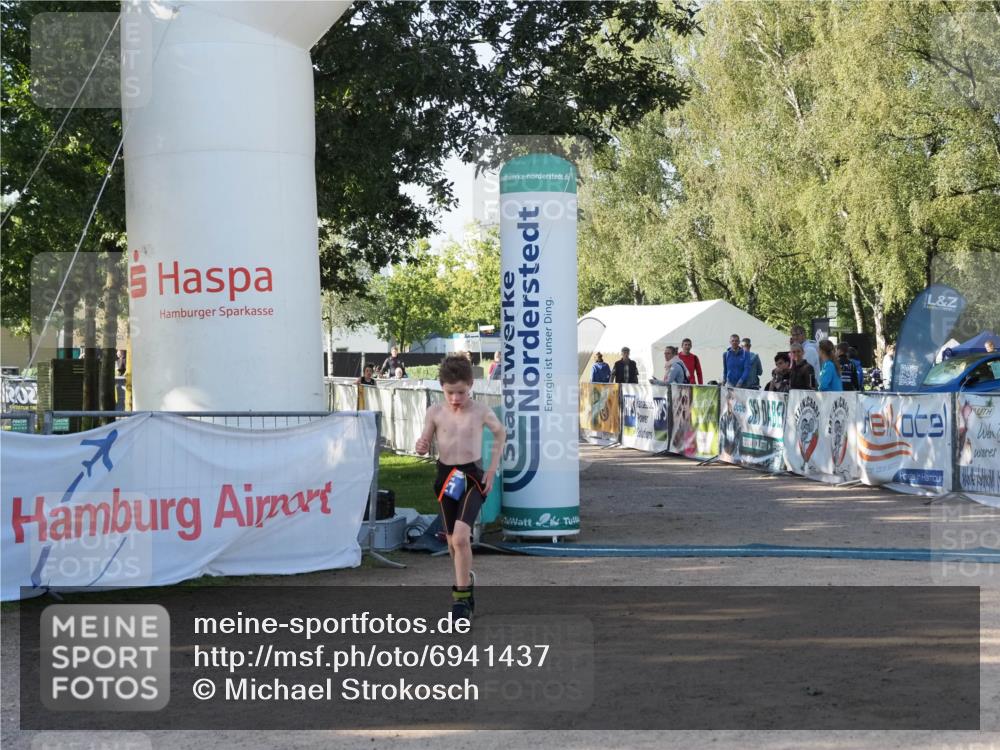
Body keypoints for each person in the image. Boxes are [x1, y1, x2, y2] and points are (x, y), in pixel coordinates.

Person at [415, 356, 505, 624]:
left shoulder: (480, 411)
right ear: (441, 387)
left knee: (461, 538)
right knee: (453, 540)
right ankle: (465, 580)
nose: (456, 398)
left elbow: (500, 434)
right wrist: (421, 445)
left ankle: (461, 600)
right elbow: (425, 440)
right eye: (450, 392)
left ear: (471, 385)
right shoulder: (434, 412)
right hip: (446, 478)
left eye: (461, 392)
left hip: (471, 477)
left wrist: (491, 470)